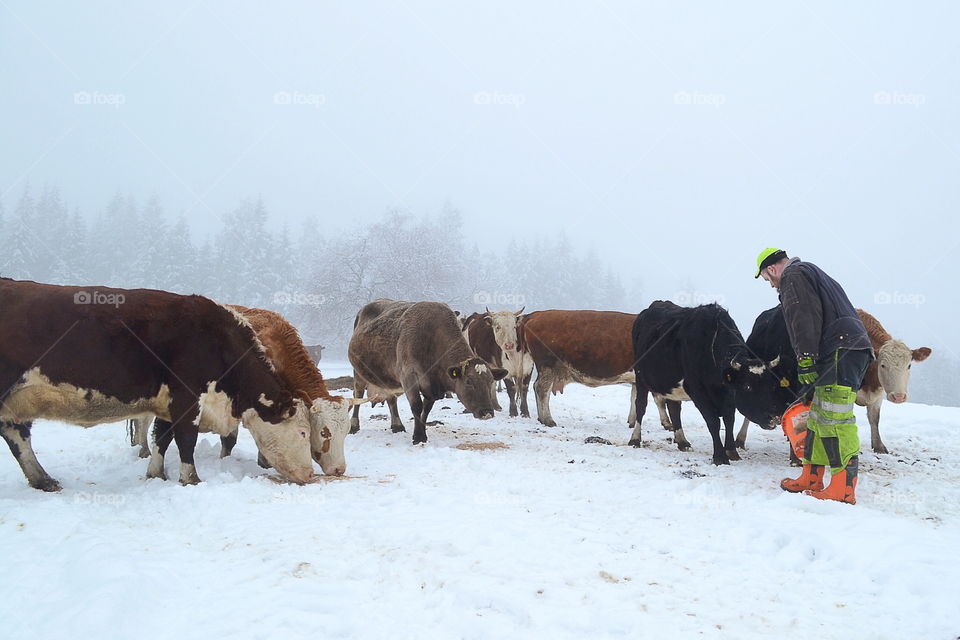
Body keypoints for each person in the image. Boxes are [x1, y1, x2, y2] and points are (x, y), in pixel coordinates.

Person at [755, 248, 873, 504]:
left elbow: (803, 317)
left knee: (834, 418)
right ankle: (812, 476)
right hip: (845, 348)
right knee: (817, 416)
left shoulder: (793, 276)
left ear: (772, 269)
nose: (772, 285)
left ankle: (843, 488)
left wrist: (805, 358)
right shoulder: (813, 273)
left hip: (840, 350)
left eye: (768, 279)